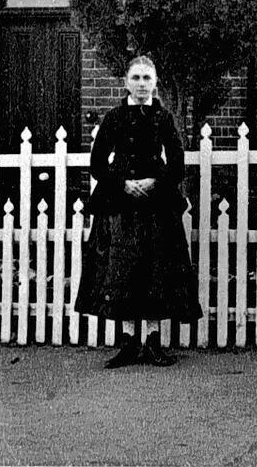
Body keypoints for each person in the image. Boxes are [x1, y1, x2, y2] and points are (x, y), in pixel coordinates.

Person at [74, 55, 203, 367]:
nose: (142, 84)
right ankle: (130, 344)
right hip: (121, 204)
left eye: (147, 78)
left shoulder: (165, 118)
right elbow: (96, 164)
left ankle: (155, 343)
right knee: (124, 269)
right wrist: (123, 185)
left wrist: (154, 183)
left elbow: (177, 164)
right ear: (126, 82)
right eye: (136, 78)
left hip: (156, 204)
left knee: (156, 267)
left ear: (155, 82)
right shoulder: (114, 118)